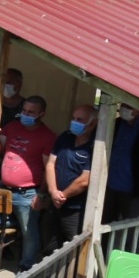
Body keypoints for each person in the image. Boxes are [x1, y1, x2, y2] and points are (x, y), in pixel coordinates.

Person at [0, 95, 55, 269]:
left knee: (30, 232)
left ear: (41, 114)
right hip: (3, 189)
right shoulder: (12, 127)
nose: (26, 114)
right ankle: (16, 222)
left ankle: (26, 267)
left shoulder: (47, 137)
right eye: (24, 111)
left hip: (28, 193)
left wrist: (42, 194)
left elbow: (47, 168)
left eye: (31, 112)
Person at [45, 103, 98, 249]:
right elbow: (50, 165)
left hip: (75, 209)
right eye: (73, 118)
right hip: (55, 204)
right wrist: (53, 192)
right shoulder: (65, 137)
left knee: (72, 247)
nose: (75, 122)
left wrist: (62, 196)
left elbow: (85, 180)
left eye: (80, 119)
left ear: (92, 123)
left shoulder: (95, 146)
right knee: (50, 245)